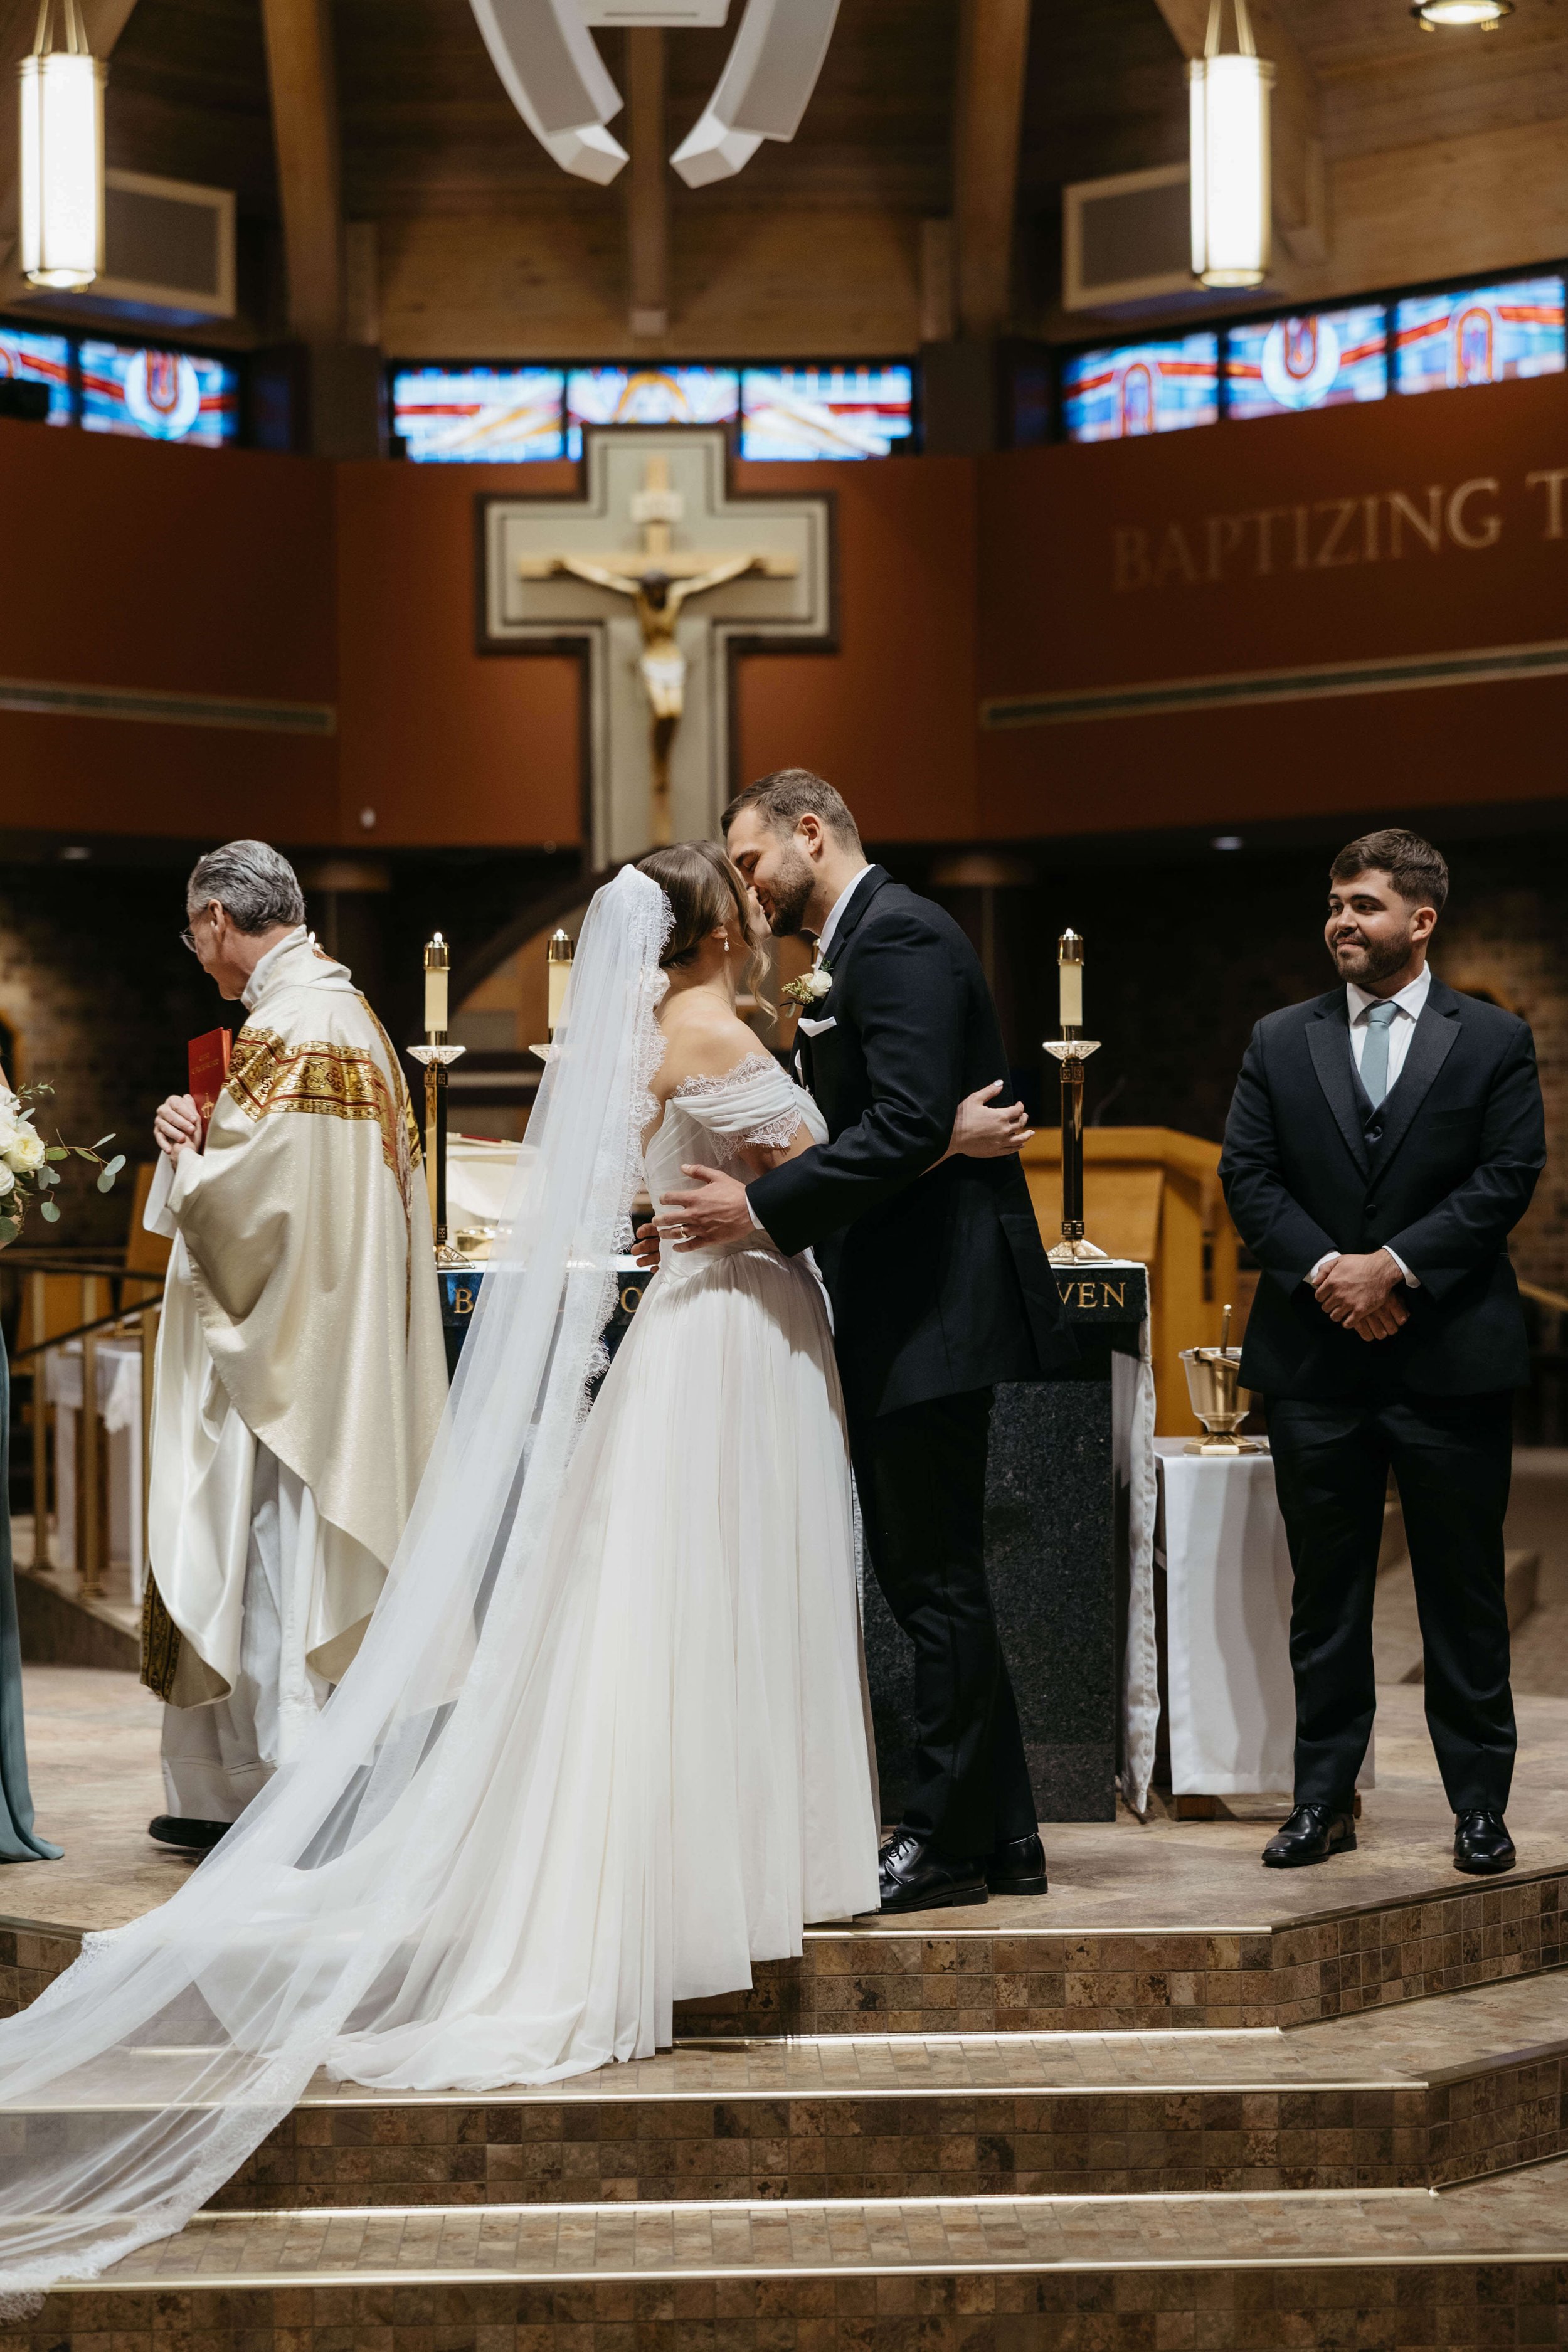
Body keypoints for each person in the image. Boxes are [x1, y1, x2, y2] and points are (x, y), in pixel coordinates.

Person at [0, 847, 1014, 2301]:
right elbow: (815, 1170)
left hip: (693, 1319)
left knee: (670, 1607)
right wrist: (943, 1143)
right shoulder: (714, 1033)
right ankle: (746, 1862)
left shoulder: (650, 1043)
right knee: (727, 1599)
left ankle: (710, 1850)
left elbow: (646, 1195)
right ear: (719, 928)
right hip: (737, 1331)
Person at [657, 773, 1074, 1914]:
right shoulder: (858, 944)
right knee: (932, 1572)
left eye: (750, 861)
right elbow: (903, 1123)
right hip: (907, 1294)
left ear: (809, 831)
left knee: (931, 1578)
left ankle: (940, 1838)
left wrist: (763, 1211)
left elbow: (894, 1121)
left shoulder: (897, 940)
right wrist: (940, 1136)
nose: (745, 887)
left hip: (936, 1300)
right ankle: (1008, 1837)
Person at [1219, 829, 1545, 1877]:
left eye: (1363, 904)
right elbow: (1249, 1176)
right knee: (1328, 1596)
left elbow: (1507, 1176)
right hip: (1318, 1361)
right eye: (1335, 902)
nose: (1341, 921)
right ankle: (1322, 1801)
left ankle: (1480, 1806)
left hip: (1449, 1358)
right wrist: (1333, 1273)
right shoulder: (1280, 1037)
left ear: (1421, 919)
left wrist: (1394, 1267)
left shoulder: (1492, 1039)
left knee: (1463, 1591)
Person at [140, 840, 447, 1851]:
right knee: (291, 1560)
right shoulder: (349, 1019)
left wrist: (186, 1157)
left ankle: (284, 1798)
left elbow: (245, 1203)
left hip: (290, 1368)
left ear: (220, 918)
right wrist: (203, 1129)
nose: (200, 957)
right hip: (332, 1342)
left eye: (197, 935)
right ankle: (267, 1789)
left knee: (275, 1558)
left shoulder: (291, 1026)